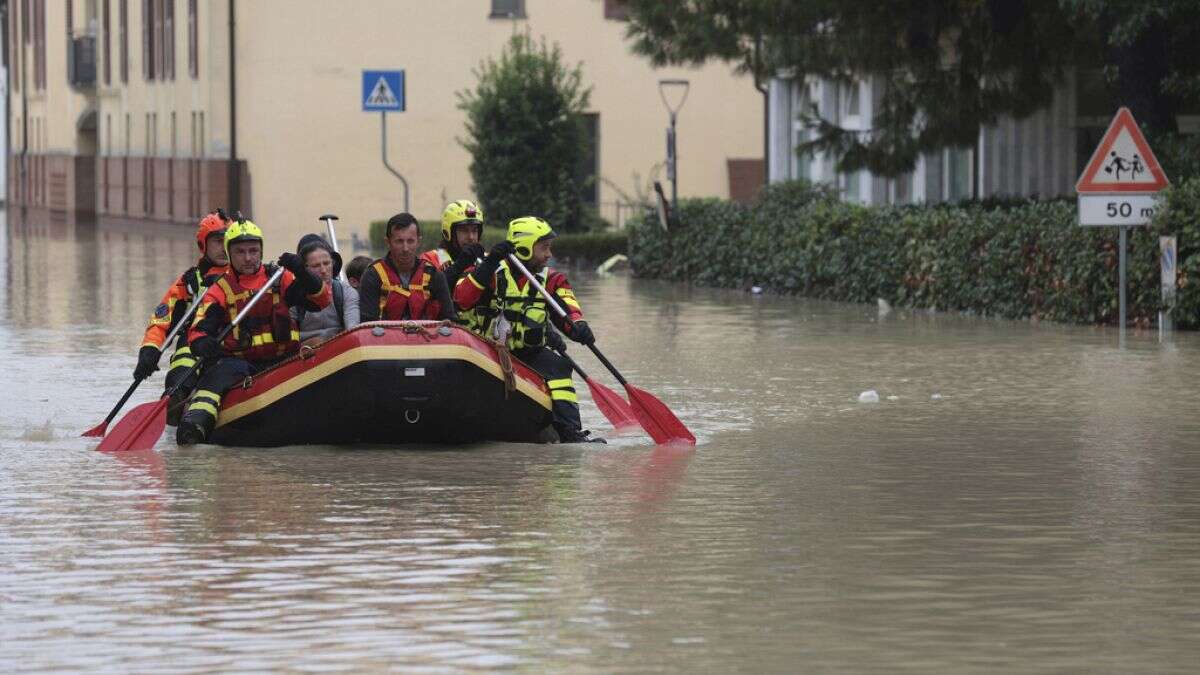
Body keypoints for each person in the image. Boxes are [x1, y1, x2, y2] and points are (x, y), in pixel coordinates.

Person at [176, 219, 331, 445]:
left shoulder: (279, 279)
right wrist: (203, 344)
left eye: (253, 251)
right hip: (238, 363)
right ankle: (194, 426)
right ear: (229, 253)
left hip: (282, 359)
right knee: (215, 380)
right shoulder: (220, 290)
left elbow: (321, 300)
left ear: (261, 250)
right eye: (240, 252)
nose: (248, 258)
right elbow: (198, 332)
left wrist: (302, 271)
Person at [454, 216, 604, 444]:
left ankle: (570, 432)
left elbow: (569, 311)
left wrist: (579, 327)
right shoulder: (489, 271)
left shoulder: (552, 280)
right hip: (489, 352)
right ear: (524, 248)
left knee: (560, 367)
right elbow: (462, 299)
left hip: (528, 353)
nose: (549, 254)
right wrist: (490, 263)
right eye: (544, 248)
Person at [134, 210, 231, 425]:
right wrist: (149, 351)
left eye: (227, 241)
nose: (224, 247)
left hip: (231, 343)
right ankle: (175, 398)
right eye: (217, 241)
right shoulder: (189, 282)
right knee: (186, 353)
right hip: (196, 343)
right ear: (203, 245)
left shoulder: (245, 275)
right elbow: (162, 320)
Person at [357, 212, 456, 322]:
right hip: (384, 338)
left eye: (410, 241)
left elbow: (449, 320)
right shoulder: (373, 275)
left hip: (426, 338)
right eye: (399, 241)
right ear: (388, 242)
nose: (405, 248)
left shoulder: (434, 275)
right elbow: (366, 324)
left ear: (418, 242)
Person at [293, 233, 360, 345]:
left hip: (341, 352)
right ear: (303, 270)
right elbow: (288, 342)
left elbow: (353, 332)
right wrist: (306, 345)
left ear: (333, 263)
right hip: (303, 357)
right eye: (316, 266)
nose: (323, 270)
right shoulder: (292, 296)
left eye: (327, 263)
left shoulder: (347, 292)